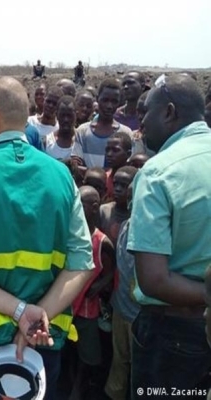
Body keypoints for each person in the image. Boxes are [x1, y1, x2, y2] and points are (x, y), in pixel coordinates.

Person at [0, 77, 93, 400]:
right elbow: (82, 262)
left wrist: (20, 312)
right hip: (42, 341)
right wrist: (36, 318)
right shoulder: (62, 175)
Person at [128, 75, 211, 397]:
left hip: (175, 336)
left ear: (169, 112)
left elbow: (154, 280)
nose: (140, 122)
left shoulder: (158, 172)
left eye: (145, 112)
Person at [69, 186, 115, 400]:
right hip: (67, 304)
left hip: (87, 307)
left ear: (95, 207)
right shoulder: (69, 234)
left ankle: (80, 387)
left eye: (81, 203)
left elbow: (111, 270)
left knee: (87, 353)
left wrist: (97, 286)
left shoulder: (102, 241)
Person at [104, 182, 139, 400]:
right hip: (121, 307)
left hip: (141, 314)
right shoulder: (125, 225)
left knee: (140, 366)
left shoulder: (158, 231)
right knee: (119, 360)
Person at [72, 79, 133, 168]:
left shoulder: (126, 133)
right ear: (97, 99)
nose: (109, 106)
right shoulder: (82, 131)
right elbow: (77, 165)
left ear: (119, 103)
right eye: (105, 100)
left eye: (114, 101)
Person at [44, 96, 78, 161]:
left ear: (76, 115)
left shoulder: (81, 142)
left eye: (69, 115)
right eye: (63, 115)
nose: (66, 120)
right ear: (56, 115)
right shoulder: (46, 142)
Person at [103, 132, 132, 202]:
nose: (109, 154)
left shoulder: (134, 180)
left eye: (115, 150)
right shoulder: (104, 178)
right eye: (107, 150)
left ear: (128, 154)